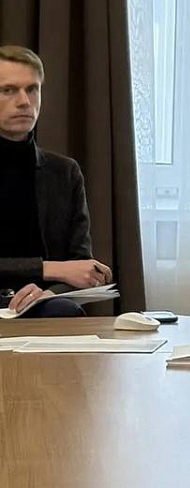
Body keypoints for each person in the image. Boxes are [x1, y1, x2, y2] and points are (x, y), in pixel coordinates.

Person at [0, 46, 113, 318]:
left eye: (32, 89)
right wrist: (49, 269)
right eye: (8, 90)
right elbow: (65, 269)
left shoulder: (64, 172)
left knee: (63, 310)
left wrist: (51, 292)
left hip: (42, 303)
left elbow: (80, 265)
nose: (24, 101)